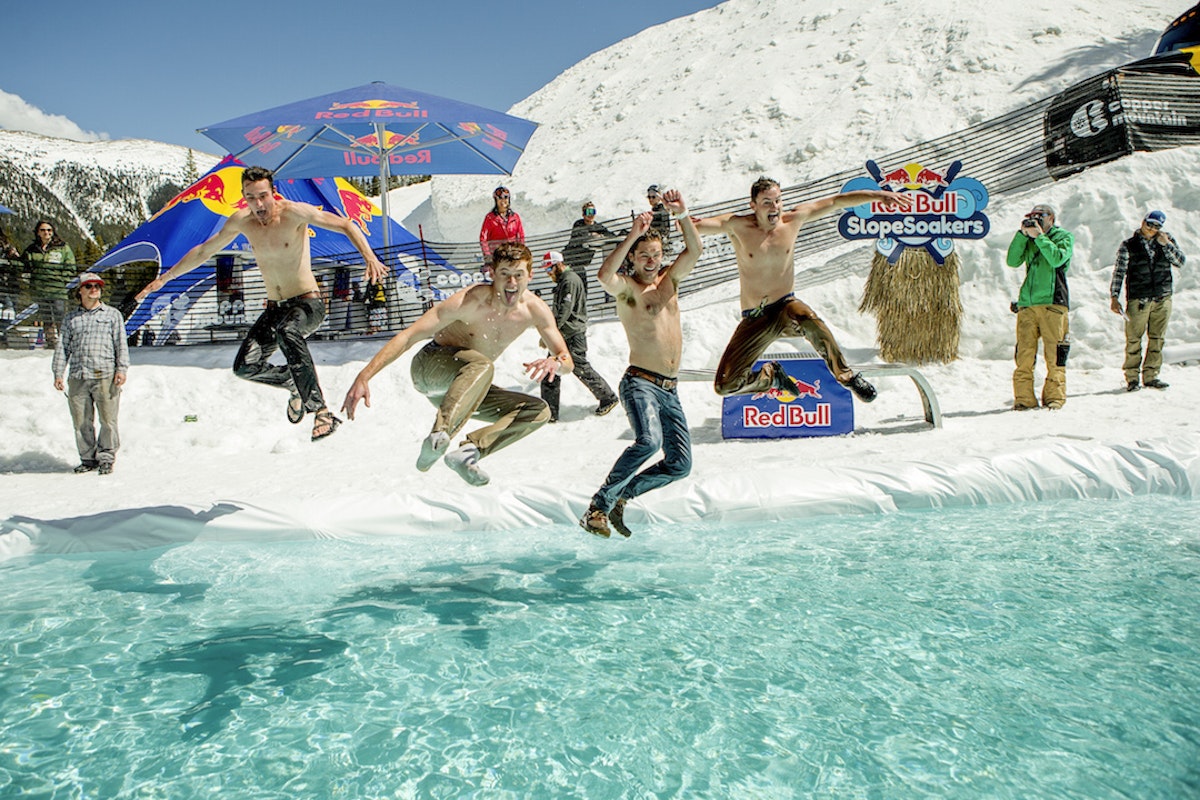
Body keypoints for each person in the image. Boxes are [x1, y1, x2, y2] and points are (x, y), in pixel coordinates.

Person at [135, 165, 387, 441]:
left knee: (287, 332)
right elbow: (205, 250)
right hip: (275, 309)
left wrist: (370, 257)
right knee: (245, 366)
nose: (258, 205)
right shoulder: (242, 221)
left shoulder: (294, 213)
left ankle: (321, 412)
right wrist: (165, 278)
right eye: (251, 198)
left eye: (263, 196)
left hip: (307, 304)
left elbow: (345, 224)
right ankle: (293, 382)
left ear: (273, 193)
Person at [342, 242, 573, 488]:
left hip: (463, 389)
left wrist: (555, 362)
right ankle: (440, 435)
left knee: (538, 411)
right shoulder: (470, 301)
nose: (512, 284)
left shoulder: (535, 310)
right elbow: (408, 336)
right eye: (505, 274)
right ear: (492, 274)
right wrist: (364, 376)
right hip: (430, 366)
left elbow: (566, 359)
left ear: (530, 275)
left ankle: (469, 452)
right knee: (482, 365)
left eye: (519, 275)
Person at [693, 176, 908, 402]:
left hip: (785, 307)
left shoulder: (792, 220)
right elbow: (699, 226)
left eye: (778, 201)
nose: (774, 207)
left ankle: (847, 376)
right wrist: (679, 215)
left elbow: (836, 201)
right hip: (755, 318)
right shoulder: (738, 226)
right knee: (725, 385)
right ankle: (771, 377)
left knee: (808, 318)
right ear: (753, 205)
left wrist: (879, 196)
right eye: (767, 202)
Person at [580, 189, 701, 539]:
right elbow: (604, 275)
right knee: (648, 442)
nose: (651, 260)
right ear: (633, 258)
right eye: (644, 255)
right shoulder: (628, 290)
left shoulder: (670, 281)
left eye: (656, 254)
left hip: (670, 389)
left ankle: (622, 497)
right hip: (641, 382)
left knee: (680, 465)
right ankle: (598, 508)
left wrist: (682, 215)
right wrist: (633, 233)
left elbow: (695, 250)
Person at [52, 272, 129, 475]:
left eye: (97, 285)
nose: (94, 288)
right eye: (89, 286)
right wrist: (58, 373)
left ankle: (106, 457)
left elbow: (120, 344)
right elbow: (63, 347)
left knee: (108, 420)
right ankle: (87, 458)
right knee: (81, 421)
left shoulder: (112, 315)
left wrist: (122, 368)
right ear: (80, 291)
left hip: (104, 374)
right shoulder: (71, 318)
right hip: (78, 376)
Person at [1005, 202, 1073, 410]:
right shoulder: (1030, 240)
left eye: (1040, 216)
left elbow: (1057, 259)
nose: (1036, 219)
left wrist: (1040, 237)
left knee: (1054, 354)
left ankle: (1055, 397)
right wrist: (1022, 235)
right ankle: (1024, 399)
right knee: (1024, 354)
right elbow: (1012, 260)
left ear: (1051, 218)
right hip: (1028, 303)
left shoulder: (1063, 237)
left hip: (1053, 302)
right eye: (1032, 216)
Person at [1110, 209, 1186, 392]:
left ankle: (1151, 375)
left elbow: (1180, 261)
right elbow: (1119, 271)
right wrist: (1114, 296)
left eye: (1156, 226)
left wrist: (1166, 244)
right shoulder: (1129, 245)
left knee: (1157, 339)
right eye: (1149, 224)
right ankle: (1132, 378)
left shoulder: (1165, 242)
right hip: (1139, 298)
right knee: (1134, 339)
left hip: (1162, 297)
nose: (1151, 228)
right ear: (1143, 222)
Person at [539, 250, 619, 422]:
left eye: (549, 269)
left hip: (572, 333)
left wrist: (550, 332)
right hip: (565, 332)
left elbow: (564, 311)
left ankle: (608, 397)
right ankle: (549, 413)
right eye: (546, 270)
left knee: (579, 367)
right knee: (551, 371)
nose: (548, 274)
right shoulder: (565, 280)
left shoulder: (569, 280)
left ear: (559, 264)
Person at [23, 219, 76, 347]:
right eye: (43, 230)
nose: (46, 232)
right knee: (46, 315)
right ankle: (51, 341)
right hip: (40, 289)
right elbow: (25, 265)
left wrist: (61, 278)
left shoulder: (62, 247)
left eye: (49, 230)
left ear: (53, 232)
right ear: (37, 232)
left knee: (60, 313)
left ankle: (65, 339)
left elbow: (71, 267)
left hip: (57, 288)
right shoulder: (32, 249)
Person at [563, 200, 616, 292]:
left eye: (593, 212)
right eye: (588, 212)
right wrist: (593, 235)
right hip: (569, 260)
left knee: (582, 288)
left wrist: (600, 236)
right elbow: (582, 236)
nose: (591, 215)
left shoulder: (598, 227)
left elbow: (611, 235)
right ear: (583, 214)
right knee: (571, 286)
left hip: (581, 262)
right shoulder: (578, 224)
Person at [478, 186, 525, 266]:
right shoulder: (490, 218)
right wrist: (487, 255)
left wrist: (520, 251)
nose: (503, 200)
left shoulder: (515, 217)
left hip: (512, 256)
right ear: (496, 200)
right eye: (500, 198)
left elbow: (521, 236)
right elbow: (483, 238)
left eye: (506, 197)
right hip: (497, 257)